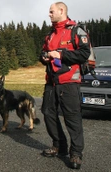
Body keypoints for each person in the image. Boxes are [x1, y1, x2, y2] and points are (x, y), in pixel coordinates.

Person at [39, 2, 91, 170]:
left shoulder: (76, 30)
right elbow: (42, 52)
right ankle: (59, 146)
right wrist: (44, 57)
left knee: (72, 118)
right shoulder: (50, 34)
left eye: (51, 11)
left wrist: (61, 54)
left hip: (69, 82)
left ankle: (76, 153)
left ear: (61, 11)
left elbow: (84, 54)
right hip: (51, 82)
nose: (49, 14)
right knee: (48, 113)